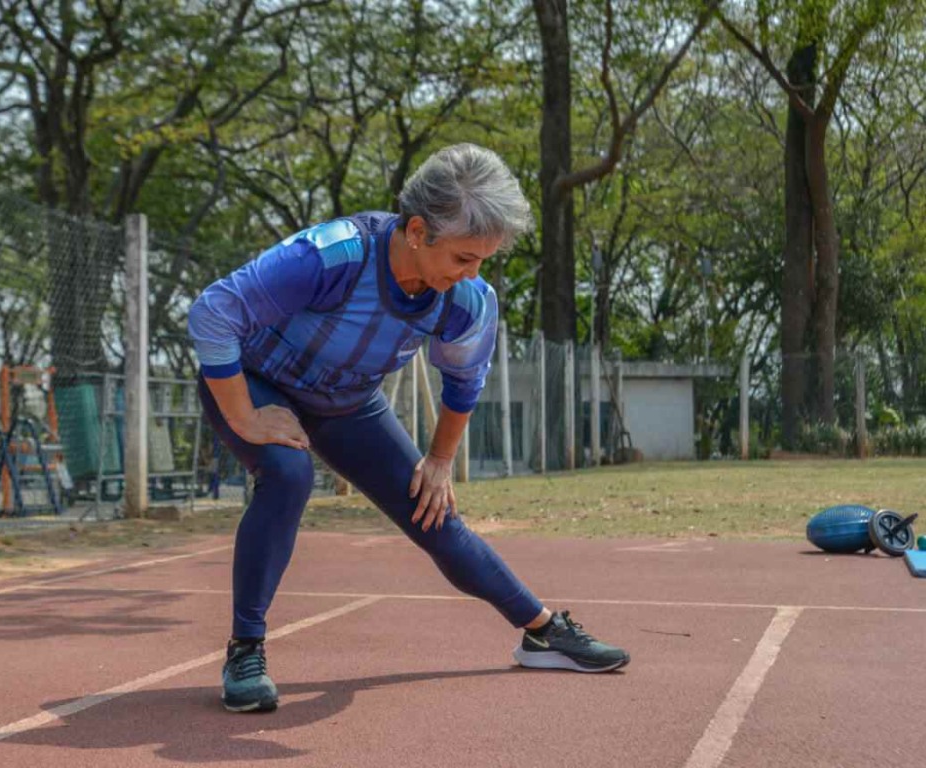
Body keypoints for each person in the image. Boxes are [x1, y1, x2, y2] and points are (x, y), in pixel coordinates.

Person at [188, 143, 629, 713]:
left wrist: (440, 461)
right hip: (256, 382)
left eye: (482, 260)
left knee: (434, 513)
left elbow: (463, 381)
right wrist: (244, 414)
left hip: (347, 405)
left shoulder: (465, 301)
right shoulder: (331, 257)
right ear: (418, 231)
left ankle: (543, 631)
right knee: (288, 474)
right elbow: (213, 312)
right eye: (464, 258)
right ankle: (245, 650)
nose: (473, 274)